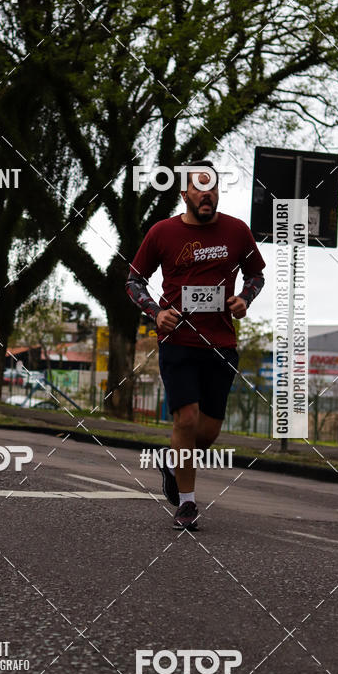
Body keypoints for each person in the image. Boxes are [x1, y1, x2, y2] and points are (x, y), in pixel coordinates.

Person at [126, 163, 265, 530]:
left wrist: (244, 299)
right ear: (184, 194)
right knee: (185, 419)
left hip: (220, 343)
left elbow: (256, 275)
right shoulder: (162, 232)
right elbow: (134, 282)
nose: (208, 194)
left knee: (208, 433)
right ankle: (186, 503)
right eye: (200, 188)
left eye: (213, 188)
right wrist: (156, 313)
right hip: (179, 341)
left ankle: (172, 462)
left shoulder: (237, 231)